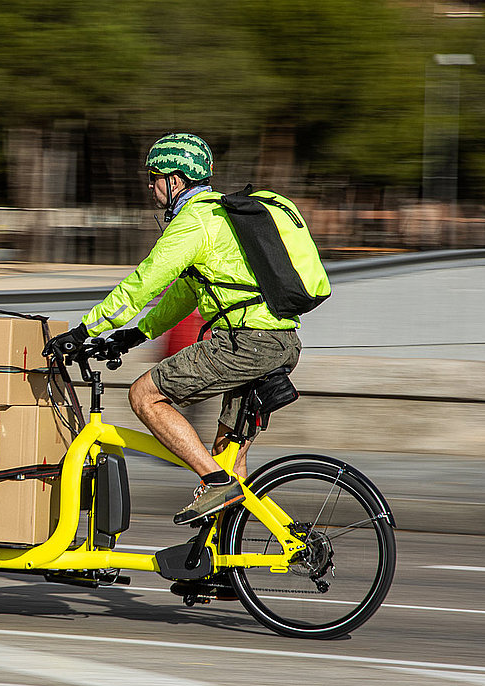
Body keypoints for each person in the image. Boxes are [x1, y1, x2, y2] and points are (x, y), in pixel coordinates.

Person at [50, 133, 303, 526]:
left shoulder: (194, 221)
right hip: (279, 341)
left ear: (177, 179)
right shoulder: (220, 216)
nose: (151, 186)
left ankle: (215, 482)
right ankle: (223, 569)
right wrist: (137, 334)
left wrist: (84, 330)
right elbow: (186, 290)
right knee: (228, 453)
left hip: (246, 343)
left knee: (144, 395)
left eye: (155, 177)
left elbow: (144, 281)